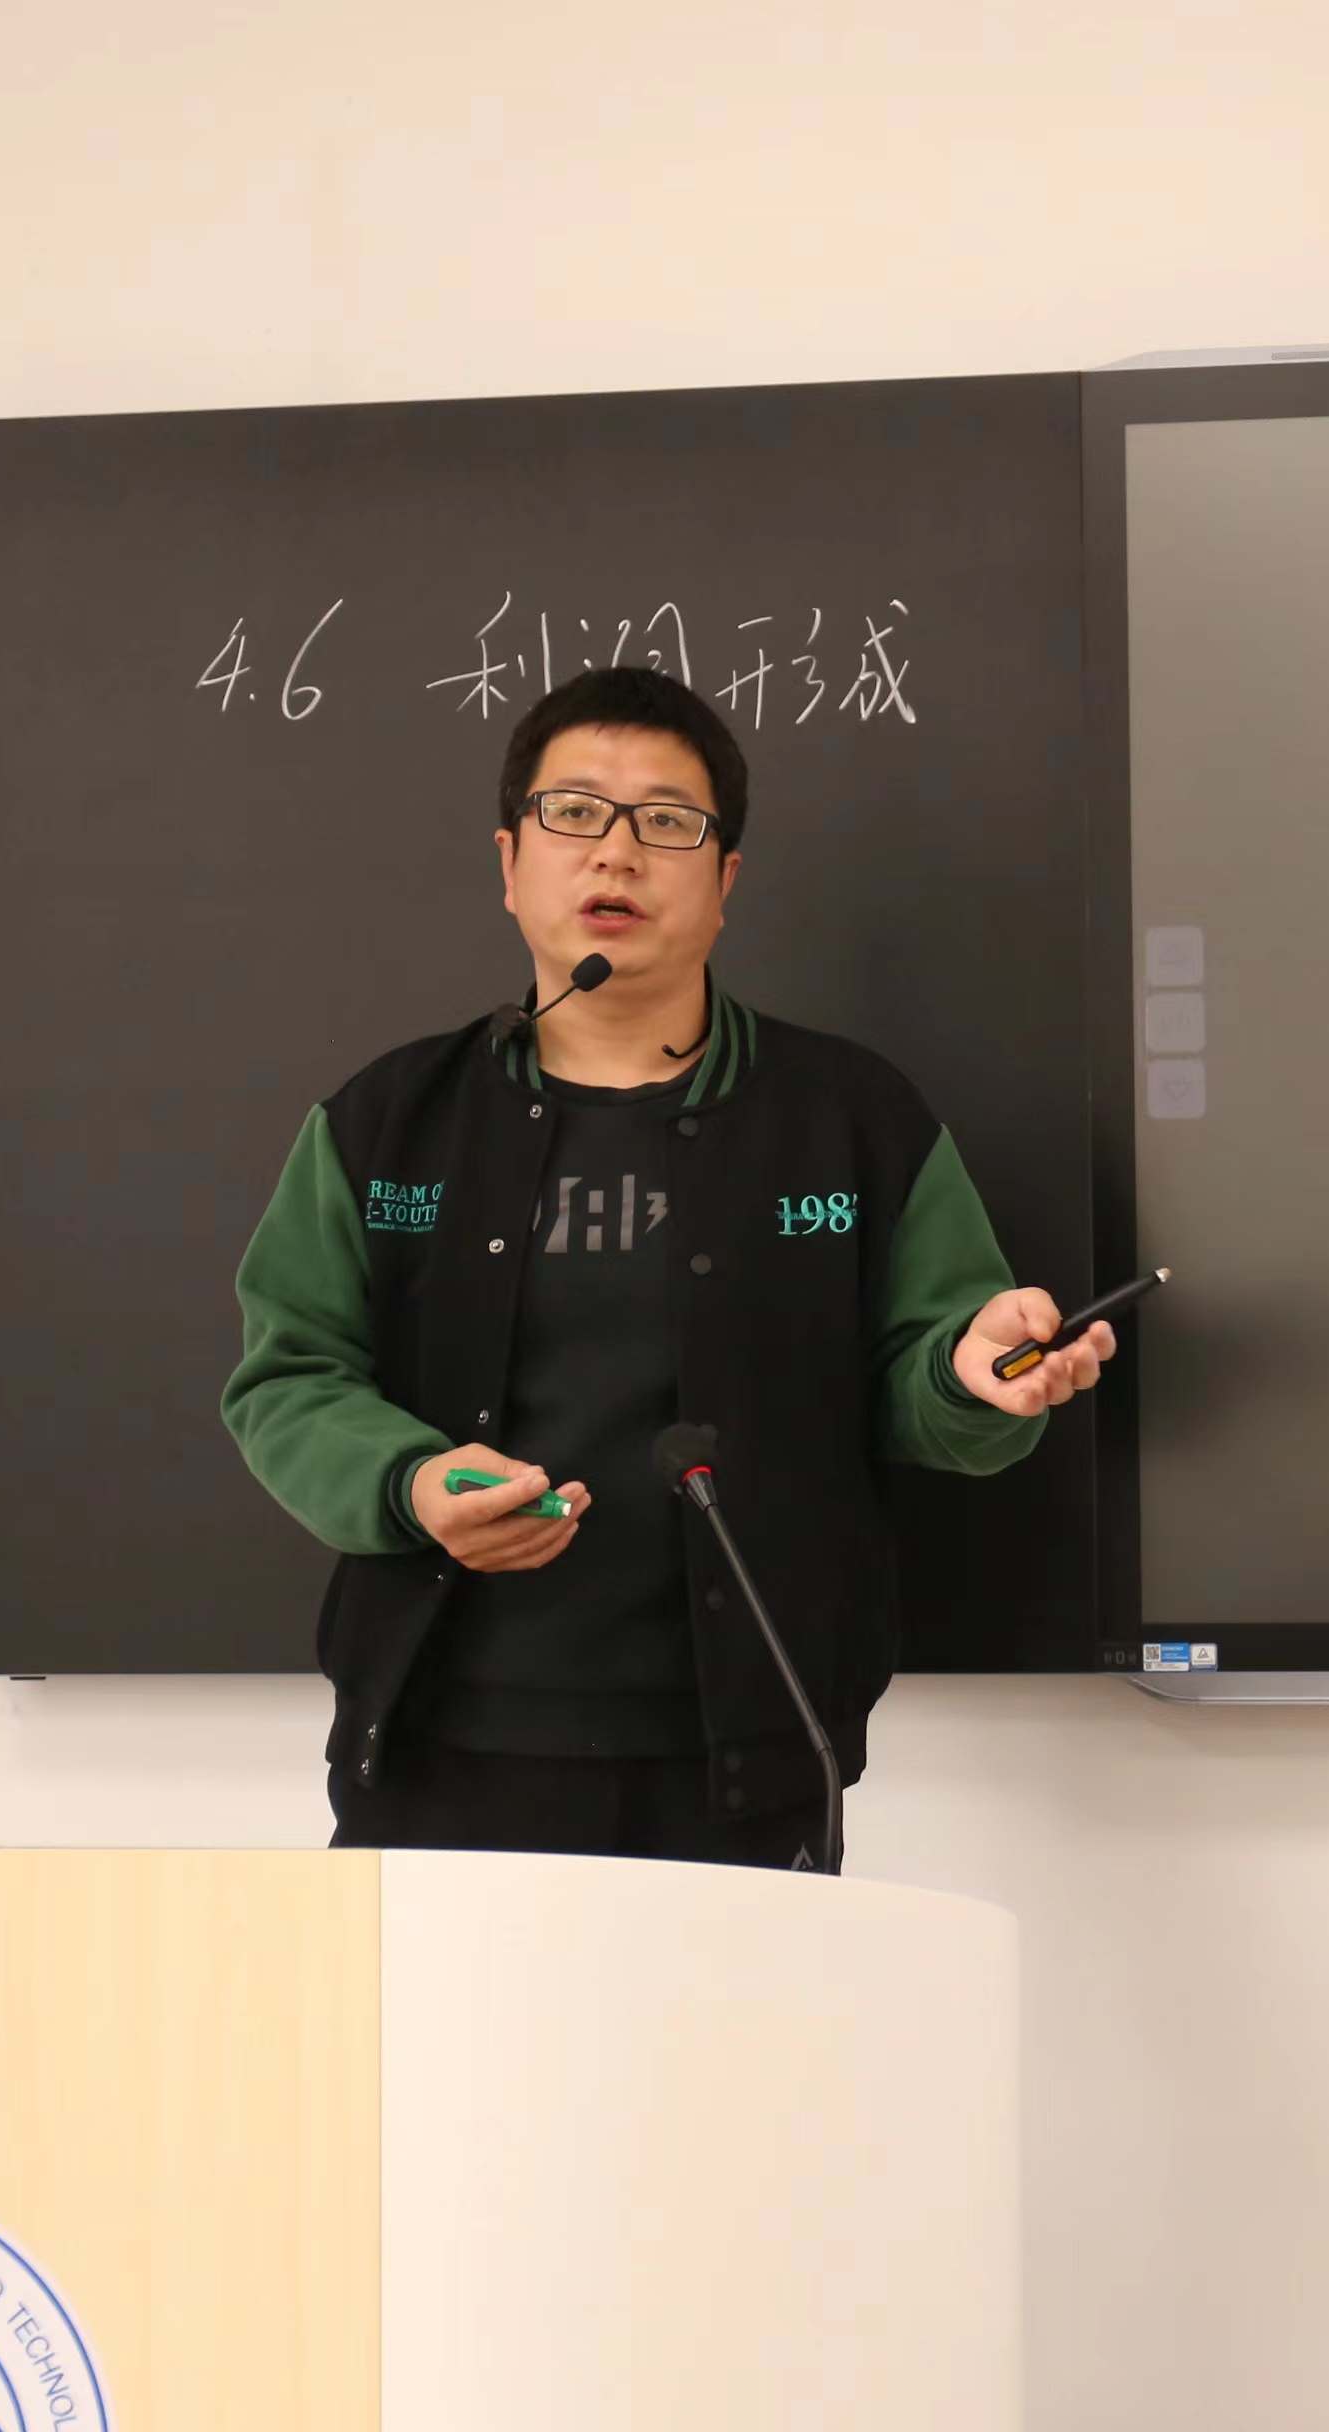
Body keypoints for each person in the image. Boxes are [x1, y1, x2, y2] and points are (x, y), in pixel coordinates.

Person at [217, 666, 1109, 1872]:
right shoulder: (391, 1120)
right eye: (575, 811)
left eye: (667, 821)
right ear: (509, 861)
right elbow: (288, 1377)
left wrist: (971, 1374)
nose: (617, 853)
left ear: (726, 879)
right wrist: (410, 1483)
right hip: (436, 1741)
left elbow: (933, 1388)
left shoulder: (851, 1117)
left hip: (752, 1755)